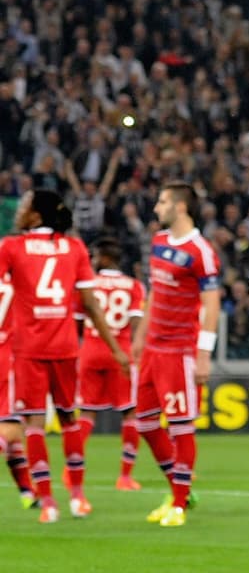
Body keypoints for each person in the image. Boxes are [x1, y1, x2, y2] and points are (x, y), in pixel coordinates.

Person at [0, 189, 128, 522]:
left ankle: (47, 503)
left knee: (34, 424)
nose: (19, 210)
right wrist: (116, 349)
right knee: (69, 420)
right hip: (66, 347)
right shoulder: (74, 248)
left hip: (27, 350)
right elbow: (91, 305)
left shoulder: (12, 247)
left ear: (36, 214)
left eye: (25, 205)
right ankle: (78, 497)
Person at [134, 182, 222, 528]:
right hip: (153, 349)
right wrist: (140, 337)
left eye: (162, 201)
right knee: (144, 422)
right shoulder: (158, 242)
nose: (157, 207)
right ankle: (178, 490)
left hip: (179, 351)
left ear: (180, 207)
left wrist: (204, 353)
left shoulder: (201, 251)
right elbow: (154, 293)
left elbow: (212, 304)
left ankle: (180, 503)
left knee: (181, 426)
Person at [74, 237, 146, 491]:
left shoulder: (87, 284)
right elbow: (136, 323)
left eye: (96, 257)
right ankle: (125, 476)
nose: (93, 261)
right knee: (130, 412)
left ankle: (71, 471)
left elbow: (78, 321)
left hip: (90, 350)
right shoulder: (133, 286)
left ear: (105, 258)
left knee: (86, 413)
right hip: (121, 353)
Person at [0, 271, 36, 509]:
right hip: (8, 358)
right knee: (10, 428)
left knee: (13, 435)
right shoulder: (18, 283)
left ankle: (27, 492)